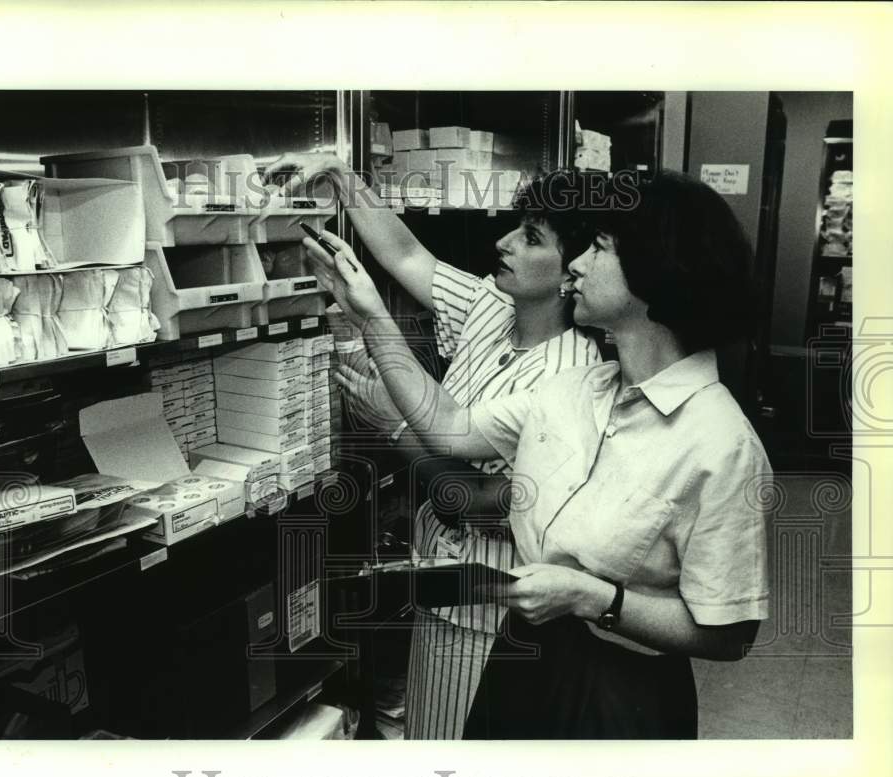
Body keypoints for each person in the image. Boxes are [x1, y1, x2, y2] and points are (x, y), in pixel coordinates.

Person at [316, 170, 772, 739]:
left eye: (599, 249)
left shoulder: (720, 444)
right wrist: (372, 317)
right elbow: (451, 427)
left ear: (657, 270)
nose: (577, 265)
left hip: (624, 689)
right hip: (524, 652)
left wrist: (595, 598)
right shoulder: (575, 392)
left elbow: (729, 635)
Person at [266, 154, 602, 739]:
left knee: (455, 752)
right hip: (442, 578)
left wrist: (394, 427)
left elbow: (475, 500)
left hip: (491, 605)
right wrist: (340, 177)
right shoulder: (492, 307)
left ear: (572, 270)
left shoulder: (571, 375)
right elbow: (405, 255)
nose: (503, 243)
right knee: (429, 730)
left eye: (530, 238)